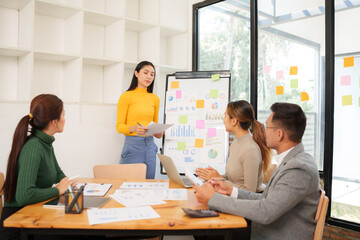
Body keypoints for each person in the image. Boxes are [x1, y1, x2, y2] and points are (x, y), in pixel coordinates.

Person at [194, 102, 321, 240]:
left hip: (273, 234)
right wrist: (230, 190)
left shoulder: (298, 170)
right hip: (267, 230)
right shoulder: (291, 160)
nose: (264, 131)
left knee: (207, 233)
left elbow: (265, 211)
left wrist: (213, 198)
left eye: (268, 127)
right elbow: (265, 199)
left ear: (279, 134)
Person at [0, 94, 77, 240]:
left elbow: (57, 173)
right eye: (63, 115)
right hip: (19, 225)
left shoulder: (45, 144)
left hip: (33, 215)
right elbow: (24, 195)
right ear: (54, 121)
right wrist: (57, 190)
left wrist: (69, 183)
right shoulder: (34, 147)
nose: (65, 119)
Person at [195, 100, 271, 192]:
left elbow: (249, 191)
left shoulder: (251, 149)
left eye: (225, 116)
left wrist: (218, 178)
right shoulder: (235, 144)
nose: (223, 120)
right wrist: (212, 176)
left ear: (234, 121)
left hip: (248, 203)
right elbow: (230, 178)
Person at [116, 61, 163, 179]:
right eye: (145, 73)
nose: (149, 77)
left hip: (150, 146)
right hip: (132, 146)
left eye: (152, 74)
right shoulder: (126, 96)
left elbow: (154, 124)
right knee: (127, 185)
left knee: (149, 185)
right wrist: (134, 128)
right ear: (136, 73)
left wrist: (158, 132)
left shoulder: (155, 99)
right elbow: (119, 126)